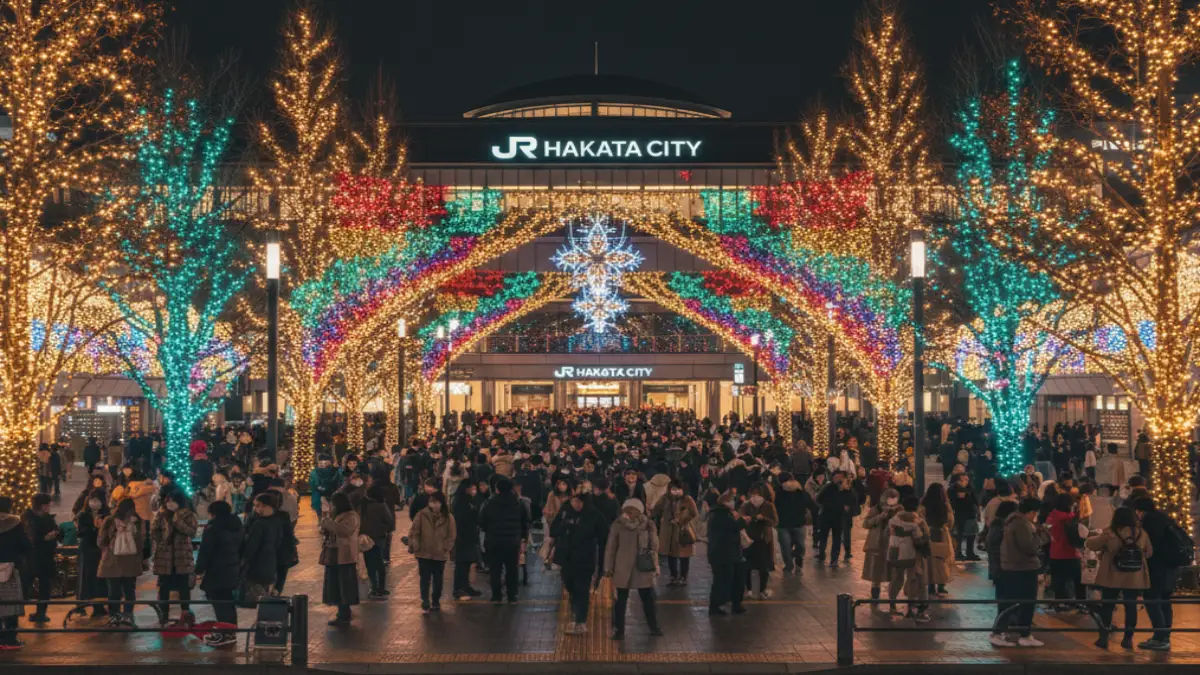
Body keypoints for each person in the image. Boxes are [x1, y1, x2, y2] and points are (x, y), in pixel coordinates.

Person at [1087, 506, 1152, 650]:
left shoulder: (1110, 533)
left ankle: (1103, 638)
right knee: (1131, 607)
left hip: (1112, 575)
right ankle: (1128, 639)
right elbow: (1149, 552)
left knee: (1108, 606)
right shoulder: (1141, 533)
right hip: (1134, 576)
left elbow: (1092, 545)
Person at [604, 499, 663, 639]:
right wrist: (608, 567)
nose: (630, 513)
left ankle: (654, 626)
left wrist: (656, 565)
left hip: (642, 566)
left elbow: (654, 547)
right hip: (622, 567)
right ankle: (619, 630)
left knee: (648, 599)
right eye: (628, 510)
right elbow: (611, 547)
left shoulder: (648, 524)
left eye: (634, 510)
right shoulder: (618, 525)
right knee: (620, 600)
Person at [994, 497, 1048, 647]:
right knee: (1026, 602)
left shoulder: (1013, 521)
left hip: (1014, 567)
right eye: (1035, 512)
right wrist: (1040, 536)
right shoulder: (1022, 523)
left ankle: (1011, 633)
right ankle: (1018, 634)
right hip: (1023, 567)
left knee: (1012, 601)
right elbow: (1029, 547)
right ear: (1031, 512)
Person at [551, 492, 607, 635]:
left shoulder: (595, 516)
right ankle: (576, 615)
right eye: (574, 501)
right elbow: (554, 531)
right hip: (567, 559)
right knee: (570, 586)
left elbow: (603, 537)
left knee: (581, 588)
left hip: (585, 559)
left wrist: (602, 562)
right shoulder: (566, 513)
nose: (576, 504)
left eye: (579, 502)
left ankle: (580, 620)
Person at [1133, 496, 1184, 651]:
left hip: (1156, 567)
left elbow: (1149, 546)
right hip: (1170, 566)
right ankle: (1164, 635)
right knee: (1165, 600)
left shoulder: (1149, 522)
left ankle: (1160, 637)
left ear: (1141, 511)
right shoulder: (1165, 518)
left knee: (1152, 599)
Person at [195, 500, 243, 647]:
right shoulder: (237, 525)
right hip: (233, 569)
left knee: (220, 603)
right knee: (228, 602)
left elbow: (205, 551)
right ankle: (230, 632)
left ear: (213, 513)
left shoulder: (213, 528)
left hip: (217, 571)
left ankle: (224, 634)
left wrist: (198, 569)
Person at [150, 490, 198, 625]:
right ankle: (164, 614)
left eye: (173, 501)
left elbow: (192, 532)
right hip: (165, 556)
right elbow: (154, 531)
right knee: (164, 586)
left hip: (181, 556)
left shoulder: (188, 514)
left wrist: (177, 522)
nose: (170, 504)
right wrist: (161, 540)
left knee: (183, 586)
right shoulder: (161, 514)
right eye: (168, 501)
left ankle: (185, 613)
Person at [479, 478, 529, 604]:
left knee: (495, 570)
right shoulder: (518, 503)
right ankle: (512, 596)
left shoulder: (489, 503)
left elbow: (481, 521)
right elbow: (525, 521)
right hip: (513, 542)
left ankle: (496, 596)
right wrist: (523, 537)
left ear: (497, 489)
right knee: (512, 569)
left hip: (494, 541)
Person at [97, 498, 145, 627]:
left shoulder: (134, 521)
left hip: (120, 561)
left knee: (120, 591)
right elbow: (141, 542)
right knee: (123, 591)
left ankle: (119, 615)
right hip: (121, 561)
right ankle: (122, 615)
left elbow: (101, 541)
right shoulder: (114, 521)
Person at [408, 490, 455, 612]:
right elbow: (414, 531)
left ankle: (435, 600)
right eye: (431, 502)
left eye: (436, 502)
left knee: (438, 579)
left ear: (442, 503)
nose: (434, 505)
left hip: (440, 553)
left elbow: (452, 535)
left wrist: (446, 547)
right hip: (423, 552)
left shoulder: (448, 517)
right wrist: (415, 545)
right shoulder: (421, 515)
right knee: (424, 578)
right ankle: (425, 600)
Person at [886, 496, 931, 622]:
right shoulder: (919, 522)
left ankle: (892, 604)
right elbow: (921, 540)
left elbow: (887, 533)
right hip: (913, 556)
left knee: (897, 578)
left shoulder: (894, 520)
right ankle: (912, 608)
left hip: (895, 553)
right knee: (914, 580)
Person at [320, 493, 361, 626]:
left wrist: (328, 523)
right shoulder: (336, 515)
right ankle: (341, 611)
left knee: (345, 584)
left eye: (333, 503)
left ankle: (345, 613)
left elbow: (344, 530)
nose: (332, 506)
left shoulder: (351, 516)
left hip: (345, 556)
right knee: (335, 584)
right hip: (333, 554)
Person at [20, 493, 60, 623]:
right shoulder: (27, 517)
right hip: (31, 557)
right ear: (42, 506)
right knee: (25, 585)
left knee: (45, 586)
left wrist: (55, 533)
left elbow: (56, 529)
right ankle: (15, 612)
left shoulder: (47, 517)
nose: (49, 507)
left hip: (46, 557)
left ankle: (41, 612)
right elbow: (29, 537)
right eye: (48, 505)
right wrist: (44, 538)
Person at [651, 479, 698, 586]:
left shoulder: (687, 499)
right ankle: (673, 576)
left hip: (682, 531)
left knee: (684, 555)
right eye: (673, 489)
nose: (675, 491)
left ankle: (683, 577)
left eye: (678, 489)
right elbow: (656, 509)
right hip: (669, 531)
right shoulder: (665, 498)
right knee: (671, 554)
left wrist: (680, 519)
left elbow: (694, 512)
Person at [72, 489, 109, 618]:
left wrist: (101, 528)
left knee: (100, 579)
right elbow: (80, 533)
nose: (94, 502)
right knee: (87, 578)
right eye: (92, 500)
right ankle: (82, 606)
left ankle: (99, 606)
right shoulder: (83, 515)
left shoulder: (106, 514)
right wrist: (94, 527)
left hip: (101, 550)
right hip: (88, 549)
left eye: (97, 500)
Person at [987, 500, 1019, 646]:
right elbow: (994, 549)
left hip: (1003, 568)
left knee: (1007, 600)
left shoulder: (1000, 525)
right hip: (1002, 569)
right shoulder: (999, 527)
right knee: (1004, 601)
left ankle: (1003, 630)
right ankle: (998, 632)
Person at [0, 497, 31, 650]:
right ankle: (10, 639)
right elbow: (25, 545)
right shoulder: (15, 523)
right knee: (12, 605)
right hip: (10, 569)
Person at [739, 483, 778, 599]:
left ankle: (762, 589)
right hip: (749, 539)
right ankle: (748, 589)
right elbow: (739, 519)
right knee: (747, 566)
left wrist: (764, 518)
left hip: (763, 539)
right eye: (753, 494)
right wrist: (746, 519)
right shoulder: (746, 505)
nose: (755, 496)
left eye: (758, 494)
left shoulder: (768, 506)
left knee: (763, 566)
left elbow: (775, 521)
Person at [1045, 492, 1085, 606]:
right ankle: (1080, 603)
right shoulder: (1068, 517)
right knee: (1079, 581)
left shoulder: (1051, 516)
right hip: (1069, 553)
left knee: (1059, 581)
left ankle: (1059, 604)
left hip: (1055, 554)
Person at [243, 493, 283, 605]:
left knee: (257, 600)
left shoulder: (258, 524)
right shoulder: (277, 521)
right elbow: (278, 543)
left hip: (257, 567)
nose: (254, 508)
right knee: (264, 598)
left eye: (257, 505)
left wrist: (244, 561)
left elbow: (251, 547)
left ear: (265, 506)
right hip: (270, 564)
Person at [861, 488, 901, 599]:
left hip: (893, 544)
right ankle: (875, 595)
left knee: (893, 572)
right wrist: (880, 517)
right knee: (876, 572)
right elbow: (866, 524)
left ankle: (892, 597)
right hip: (877, 544)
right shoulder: (876, 509)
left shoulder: (899, 510)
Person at [359, 484, 396, 600]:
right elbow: (389, 521)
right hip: (379, 537)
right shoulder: (381, 505)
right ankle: (381, 587)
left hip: (366, 538)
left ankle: (373, 586)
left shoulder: (363, 505)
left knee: (369, 562)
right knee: (379, 562)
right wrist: (387, 530)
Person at [918, 483, 954, 597]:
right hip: (942, 534)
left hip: (928, 534)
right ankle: (941, 585)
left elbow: (920, 520)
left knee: (929, 561)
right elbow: (950, 521)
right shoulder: (945, 505)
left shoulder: (923, 506)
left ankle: (931, 585)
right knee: (942, 560)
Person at [452, 482, 483, 599]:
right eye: (472, 488)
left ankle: (465, 586)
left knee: (467, 562)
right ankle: (458, 588)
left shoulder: (470, 501)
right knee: (461, 563)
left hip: (470, 536)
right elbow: (460, 520)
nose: (474, 490)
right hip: (462, 537)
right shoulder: (460, 502)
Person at [948, 472, 981, 561]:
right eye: (964, 480)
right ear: (958, 480)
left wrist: (978, 511)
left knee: (971, 534)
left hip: (971, 514)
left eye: (967, 479)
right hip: (960, 514)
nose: (966, 481)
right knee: (959, 534)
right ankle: (958, 553)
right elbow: (955, 501)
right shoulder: (953, 489)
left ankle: (970, 552)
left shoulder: (969, 488)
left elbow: (975, 500)